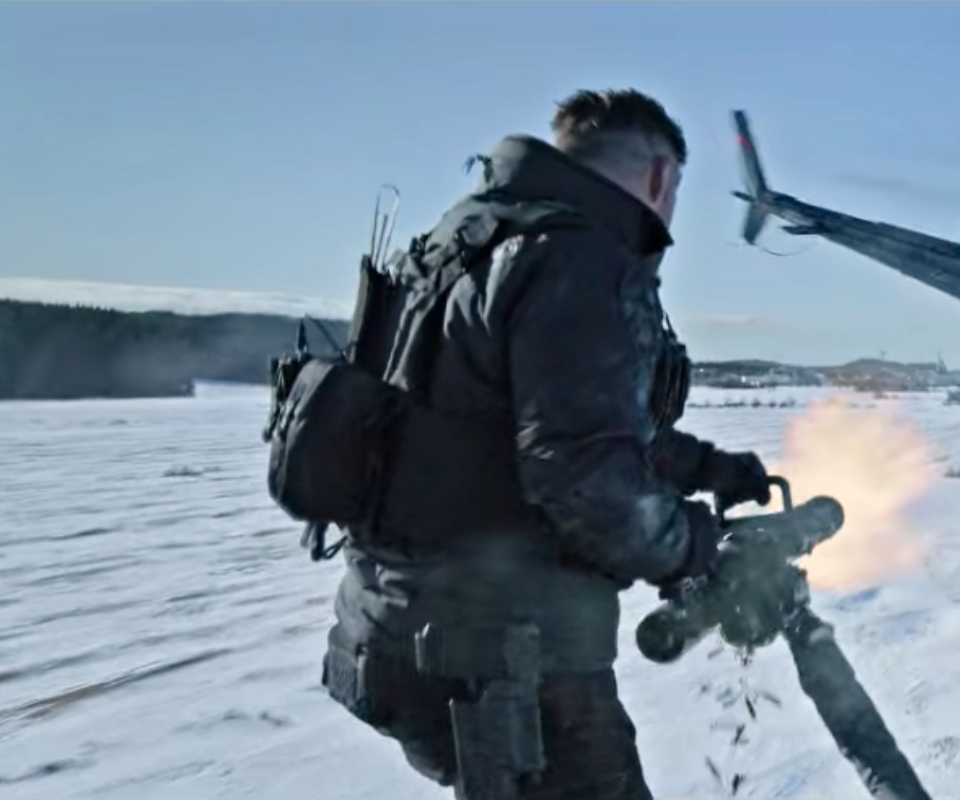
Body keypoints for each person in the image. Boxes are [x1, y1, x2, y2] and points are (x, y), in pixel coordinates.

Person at [317, 88, 773, 800]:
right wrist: (695, 547)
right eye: (677, 191)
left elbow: (513, 427)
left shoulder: (461, 241)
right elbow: (584, 478)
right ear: (660, 177)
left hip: (387, 633)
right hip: (505, 662)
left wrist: (706, 468)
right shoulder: (577, 257)